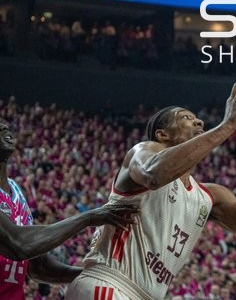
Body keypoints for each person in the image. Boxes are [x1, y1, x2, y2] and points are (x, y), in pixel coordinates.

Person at [65, 73, 236, 300]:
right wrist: (226, 126)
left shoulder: (210, 195)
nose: (198, 120)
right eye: (186, 118)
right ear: (162, 134)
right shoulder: (142, 152)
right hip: (110, 284)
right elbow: (154, 175)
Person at [0, 118, 139, 300]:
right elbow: (18, 244)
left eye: (5, 126)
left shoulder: (15, 190)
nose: (4, 127)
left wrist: (93, 277)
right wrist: (87, 218)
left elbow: (38, 266)